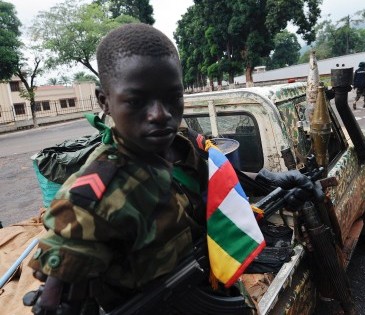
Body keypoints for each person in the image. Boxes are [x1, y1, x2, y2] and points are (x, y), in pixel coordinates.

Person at [25, 23, 321, 313]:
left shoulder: (184, 144)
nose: (160, 115)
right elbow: (59, 294)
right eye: (136, 101)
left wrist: (274, 184)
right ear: (105, 101)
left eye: (172, 98)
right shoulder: (91, 199)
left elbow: (220, 185)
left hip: (207, 289)